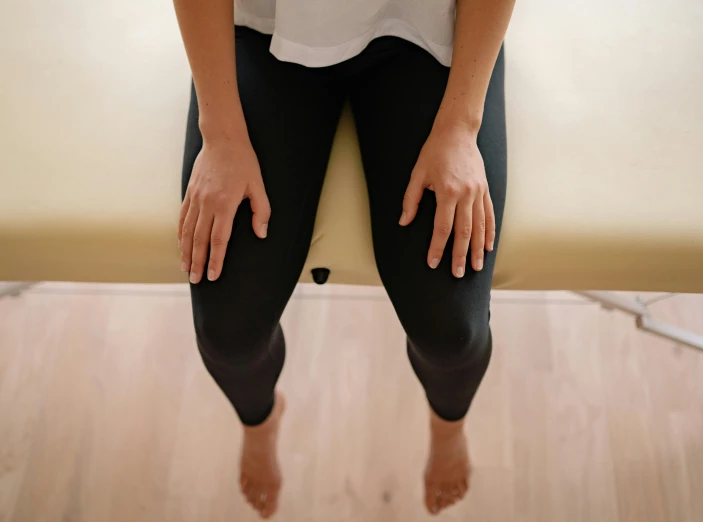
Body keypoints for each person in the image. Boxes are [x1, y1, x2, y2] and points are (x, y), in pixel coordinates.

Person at [173, 0, 514, 517]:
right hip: (264, 30)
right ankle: (260, 419)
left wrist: (461, 127)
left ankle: (448, 424)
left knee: (451, 329)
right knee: (228, 328)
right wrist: (219, 136)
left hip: (429, 35)